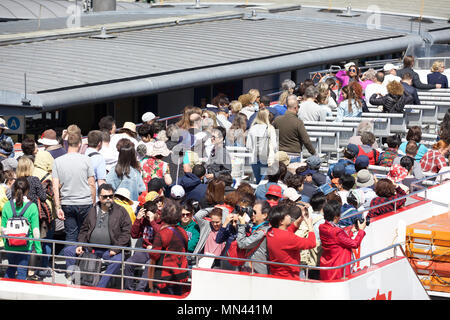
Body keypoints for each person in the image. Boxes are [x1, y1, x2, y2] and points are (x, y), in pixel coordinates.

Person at [62, 183, 132, 288]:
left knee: (118, 260)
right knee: (68, 251)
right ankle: (76, 281)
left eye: (111, 196)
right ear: (99, 197)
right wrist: (80, 244)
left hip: (110, 250)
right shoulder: (92, 210)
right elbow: (84, 229)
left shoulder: (121, 211)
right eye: (105, 197)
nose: (108, 199)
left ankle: (100, 286)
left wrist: (116, 249)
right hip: (90, 248)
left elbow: (126, 233)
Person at [53, 132, 96, 243]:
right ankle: (84, 260)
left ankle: (70, 259)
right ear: (80, 144)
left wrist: (57, 207)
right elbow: (92, 183)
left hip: (67, 202)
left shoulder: (57, 161)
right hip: (85, 202)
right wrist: (94, 203)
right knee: (85, 235)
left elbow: (55, 187)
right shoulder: (86, 160)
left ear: (67, 144)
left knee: (71, 236)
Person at [1, 177, 42, 280]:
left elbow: (3, 228)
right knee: (22, 270)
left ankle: (5, 291)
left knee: (10, 269)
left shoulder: (7, 206)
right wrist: (38, 250)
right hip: (25, 245)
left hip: (10, 244)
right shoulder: (32, 206)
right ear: (27, 190)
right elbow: (35, 231)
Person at [124, 192, 162, 291]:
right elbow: (134, 235)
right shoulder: (143, 219)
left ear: (156, 212)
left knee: (149, 265)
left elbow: (162, 236)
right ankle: (129, 289)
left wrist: (152, 221)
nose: (147, 219)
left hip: (157, 252)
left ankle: (140, 291)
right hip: (145, 250)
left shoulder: (163, 220)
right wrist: (138, 219)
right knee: (129, 263)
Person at [319, 200, 366, 281]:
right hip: (338, 269)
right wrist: (361, 230)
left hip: (327, 268)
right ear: (336, 217)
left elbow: (339, 241)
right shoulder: (336, 231)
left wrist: (351, 231)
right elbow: (355, 244)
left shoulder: (322, 227)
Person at [266, 203, 316, 279]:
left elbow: (290, 229)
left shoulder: (270, 231)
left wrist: (301, 218)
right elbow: (311, 243)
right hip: (290, 277)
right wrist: (310, 225)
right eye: (287, 215)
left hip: (275, 274)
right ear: (281, 221)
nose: (289, 216)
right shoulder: (288, 238)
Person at [246, 108, 278, 184]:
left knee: (258, 181)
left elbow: (248, 146)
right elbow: (274, 146)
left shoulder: (252, 128)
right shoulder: (270, 128)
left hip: (255, 158)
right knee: (264, 182)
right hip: (267, 159)